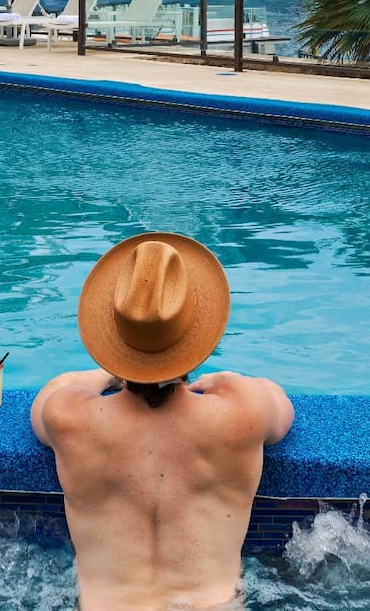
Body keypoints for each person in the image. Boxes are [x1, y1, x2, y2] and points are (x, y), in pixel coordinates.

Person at [31, 232, 293, 611]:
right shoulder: (243, 413)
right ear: (197, 337)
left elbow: (48, 396)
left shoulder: (70, 417)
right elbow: (281, 405)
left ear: (114, 341)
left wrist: (107, 375)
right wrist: (226, 380)